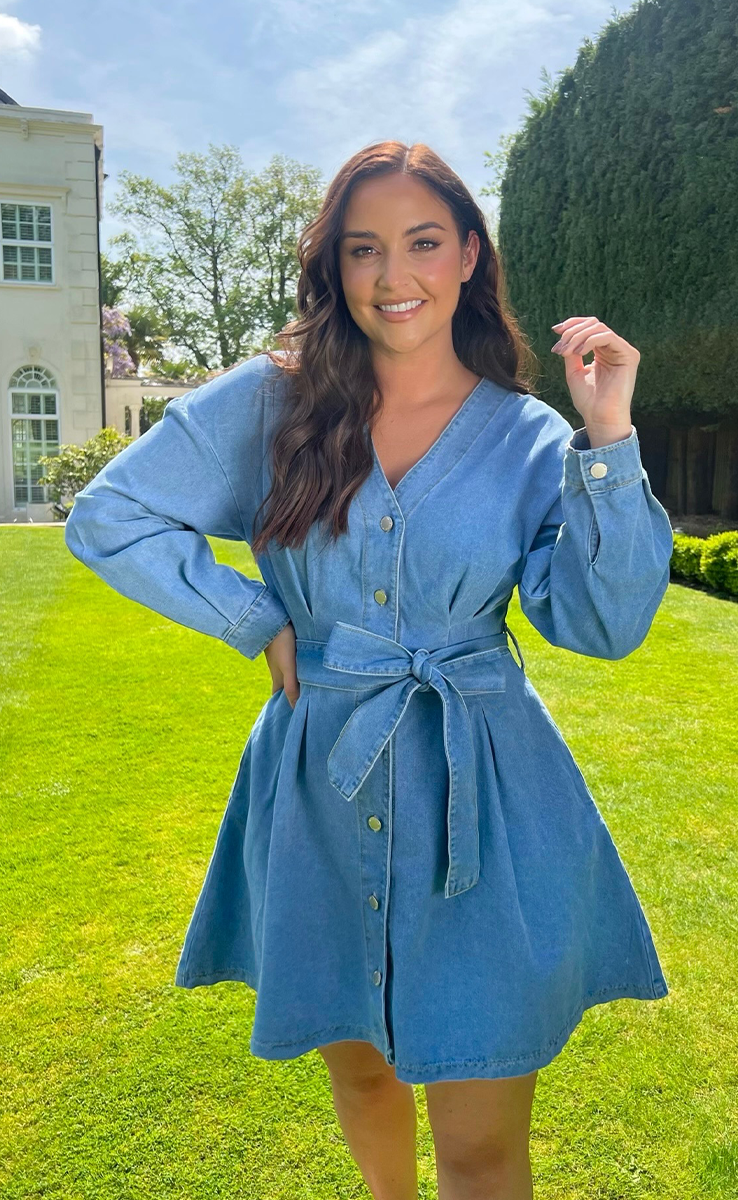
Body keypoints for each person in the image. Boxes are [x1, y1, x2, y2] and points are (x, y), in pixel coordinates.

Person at [64, 140, 673, 1200]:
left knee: (481, 1142)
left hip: (484, 795)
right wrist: (252, 616)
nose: (394, 276)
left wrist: (608, 436)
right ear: (334, 267)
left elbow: (602, 623)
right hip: (319, 786)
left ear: (470, 256)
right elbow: (109, 515)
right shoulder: (272, 405)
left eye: (423, 242)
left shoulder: (533, 439)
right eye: (363, 249)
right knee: (360, 1072)